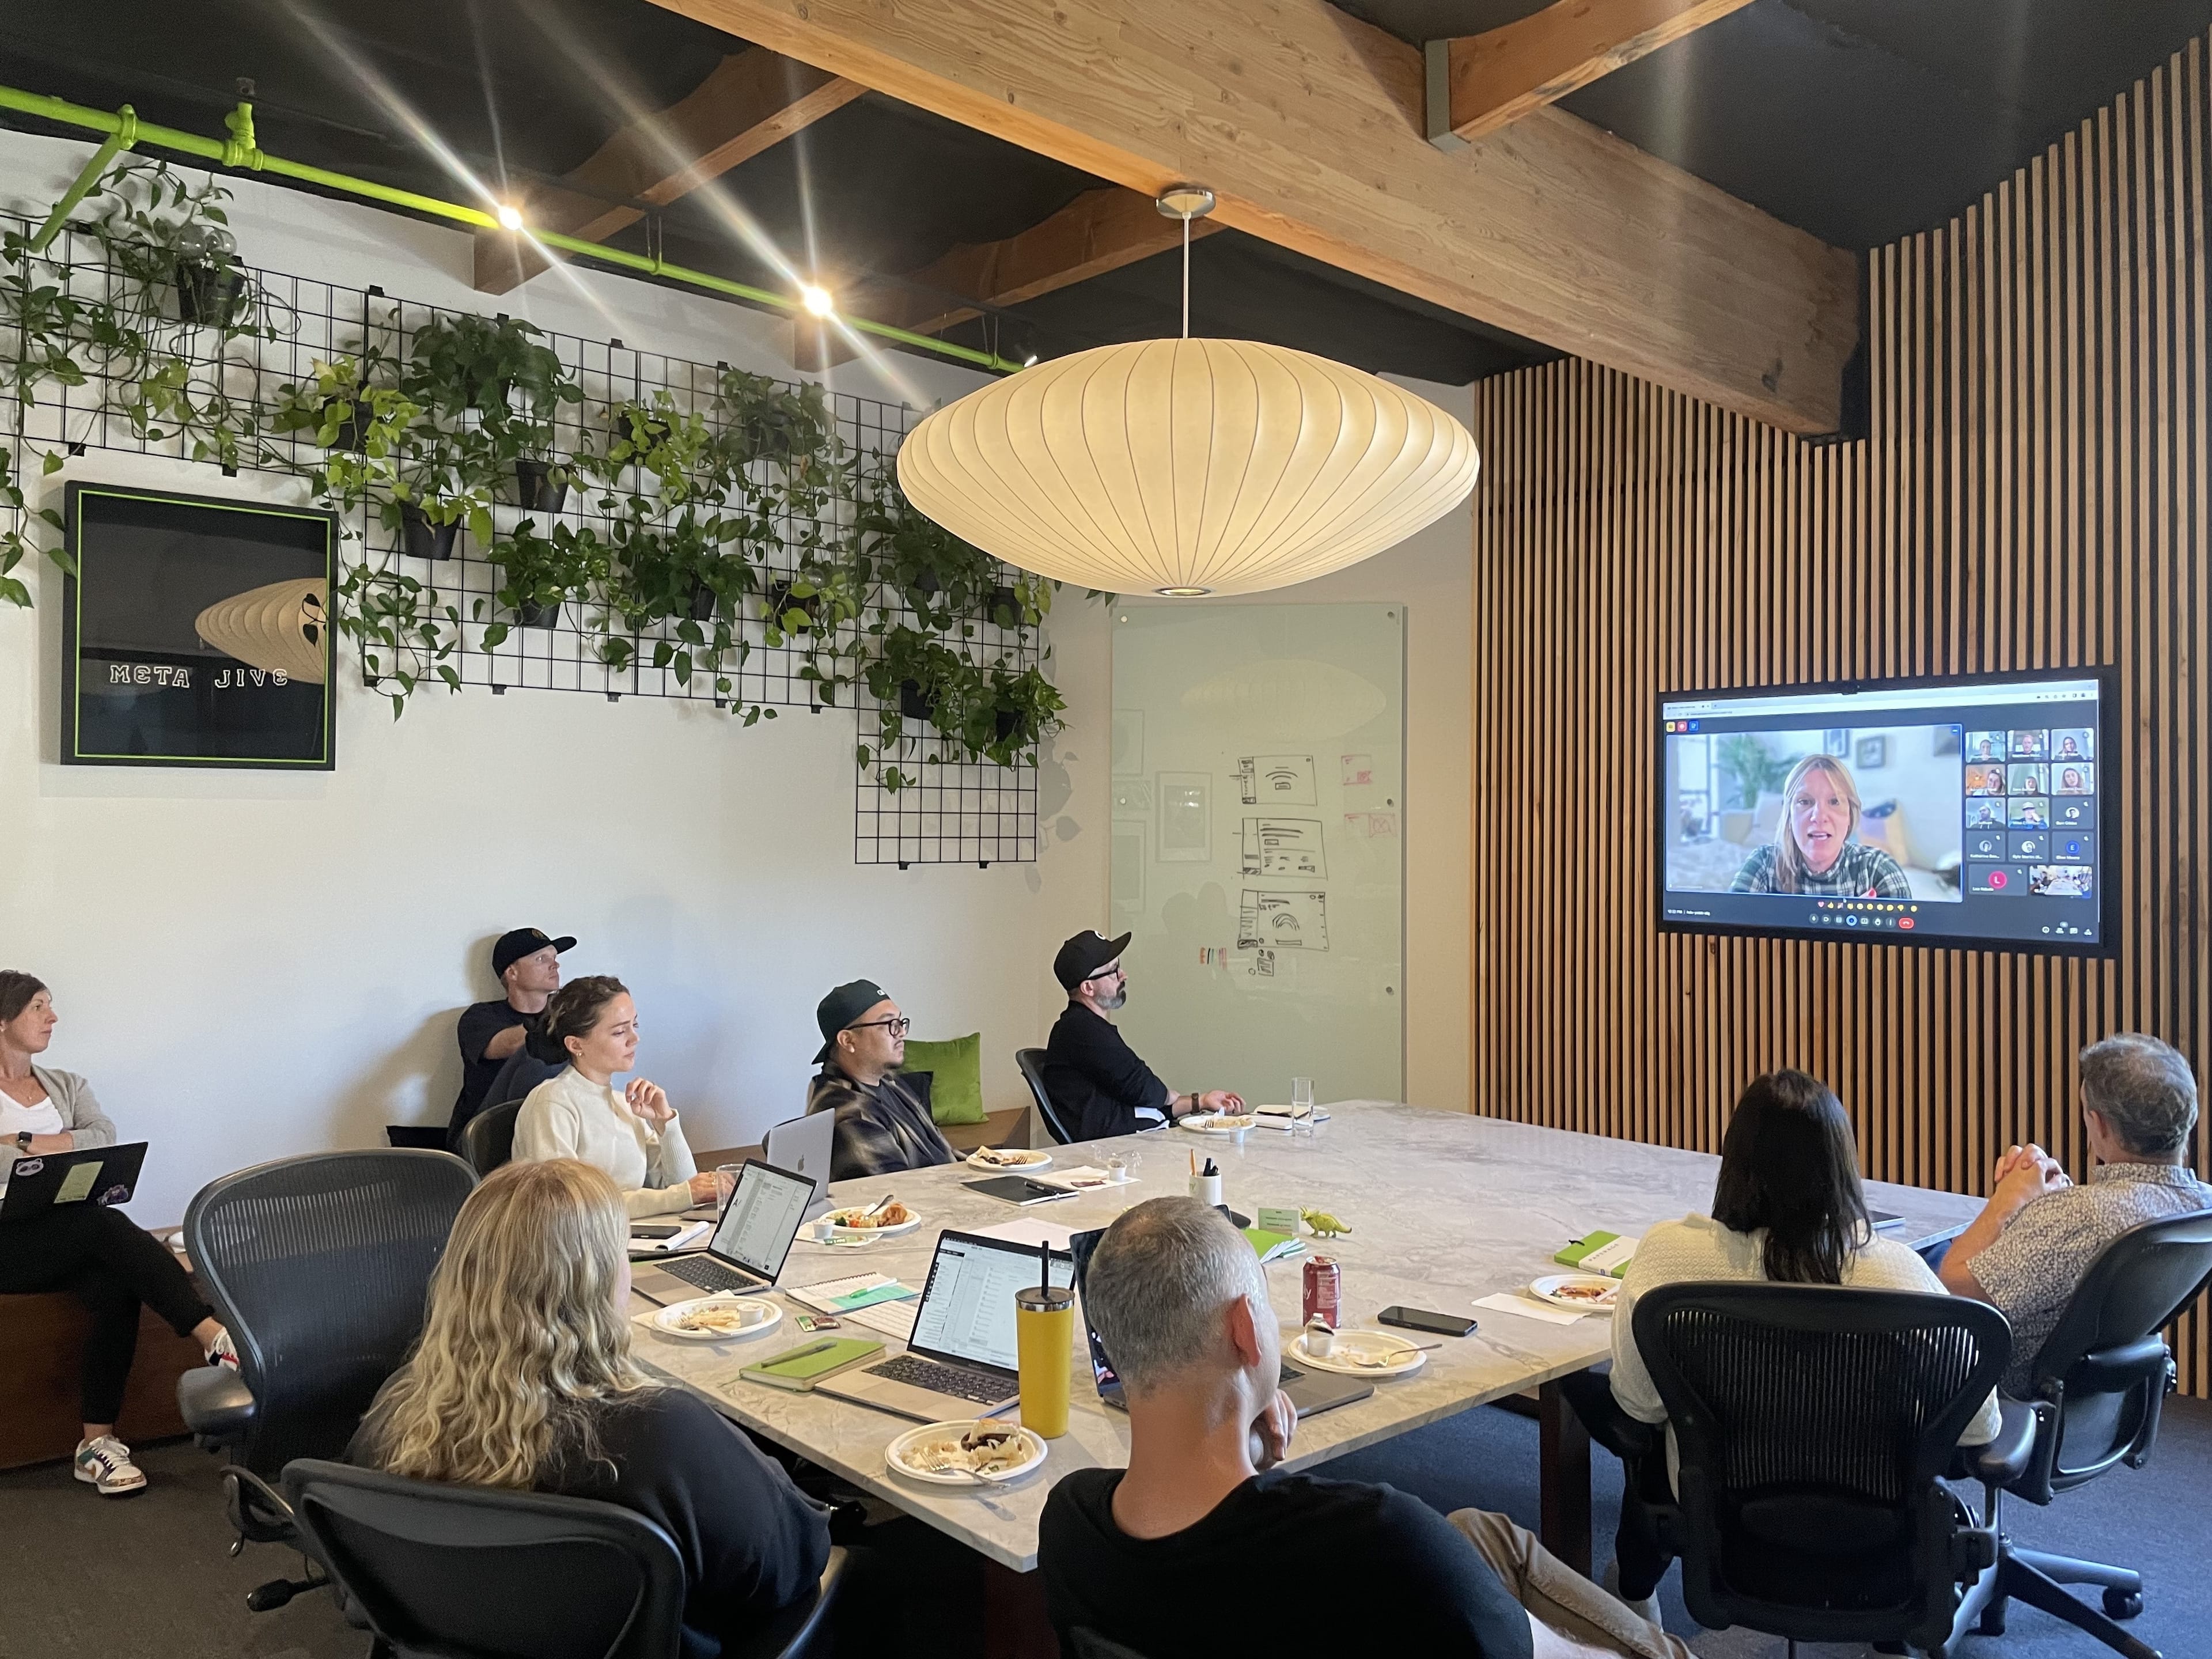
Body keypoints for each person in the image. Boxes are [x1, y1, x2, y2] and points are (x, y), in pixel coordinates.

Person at [1041, 1197, 1690, 1659]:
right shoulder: (1381, 1541)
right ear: (1244, 1329)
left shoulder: (1070, 1525)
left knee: (1478, 1535)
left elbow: (1224, 1561)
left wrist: (1253, 1468)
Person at [352, 1160, 831, 1656]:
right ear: (597, 1283)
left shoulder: (395, 1413)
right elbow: (795, 1559)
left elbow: (362, 1589)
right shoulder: (660, 1433)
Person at [1569, 1070, 2000, 1618]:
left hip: (1721, 1510)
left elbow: (1637, 1404)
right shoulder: (1901, 1277)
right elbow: (1979, 1429)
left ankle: (1633, 1600)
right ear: (1843, 1164)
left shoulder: (1669, 1258)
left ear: (1735, 1161)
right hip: (1879, 1521)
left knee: (1639, 1425)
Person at [0, 972, 237, 1498]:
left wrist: (21, 1142)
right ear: (3, 1020)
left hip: (68, 1232)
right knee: (100, 1223)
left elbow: (103, 1136)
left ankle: (96, 1445)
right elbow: (61, 1146)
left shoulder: (66, 1083)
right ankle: (211, 1335)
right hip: (6, 1244)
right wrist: (46, 1144)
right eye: (39, 1007)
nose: (53, 1017)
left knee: (116, 1280)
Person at [1938, 1034, 2212, 1399]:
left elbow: (1952, 1289)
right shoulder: (2202, 1206)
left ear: (2099, 1125)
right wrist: (2047, 1206)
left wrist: (2006, 1201)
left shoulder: (2076, 1217)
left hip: (1998, 1393)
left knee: (1907, 1266)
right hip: (2093, 1398)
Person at [511, 976, 721, 1218]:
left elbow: (684, 1187)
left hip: (631, 1238)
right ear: (576, 1044)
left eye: (635, 1026)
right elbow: (567, 1207)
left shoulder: (626, 1103)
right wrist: (678, 1196)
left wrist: (666, 1123)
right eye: (620, 1031)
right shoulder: (552, 1102)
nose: (634, 1039)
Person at [1041, 931, 1243, 1141]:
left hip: (1144, 1140)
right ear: (1088, 987)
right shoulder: (1081, 1030)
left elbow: (1141, 1101)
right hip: (1126, 1152)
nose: (1123, 975)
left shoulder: (1087, 1028)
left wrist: (1201, 1101)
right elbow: (1143, 1088)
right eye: (1113, 971)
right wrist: (1166, 1095)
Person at [805, 980, 955, 1180]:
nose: (901, 1033)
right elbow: (896, 1195)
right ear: (848, 1041)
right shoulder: (848, 1114)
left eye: (900, 1022)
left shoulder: (888, 1082)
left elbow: (943, 1155)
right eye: (889, 1024)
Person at [449, 927, 574, 1143]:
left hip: (550, 1128)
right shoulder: (480, 1016)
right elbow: (504, 1045)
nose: (554, 964)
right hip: (484, 1139)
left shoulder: (564, 1015)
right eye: (541, 959)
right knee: (539, 1058)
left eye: (554, 958)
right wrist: (564, 1018)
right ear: (512, 973)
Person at [1729, 754, 1910, 898]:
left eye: (1835, 801)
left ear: (1850, 815)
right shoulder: (1763, 864)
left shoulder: (1878, 869)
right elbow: (1729, 936)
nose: (1819, 817)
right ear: (1789, 815)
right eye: (1805, 801)